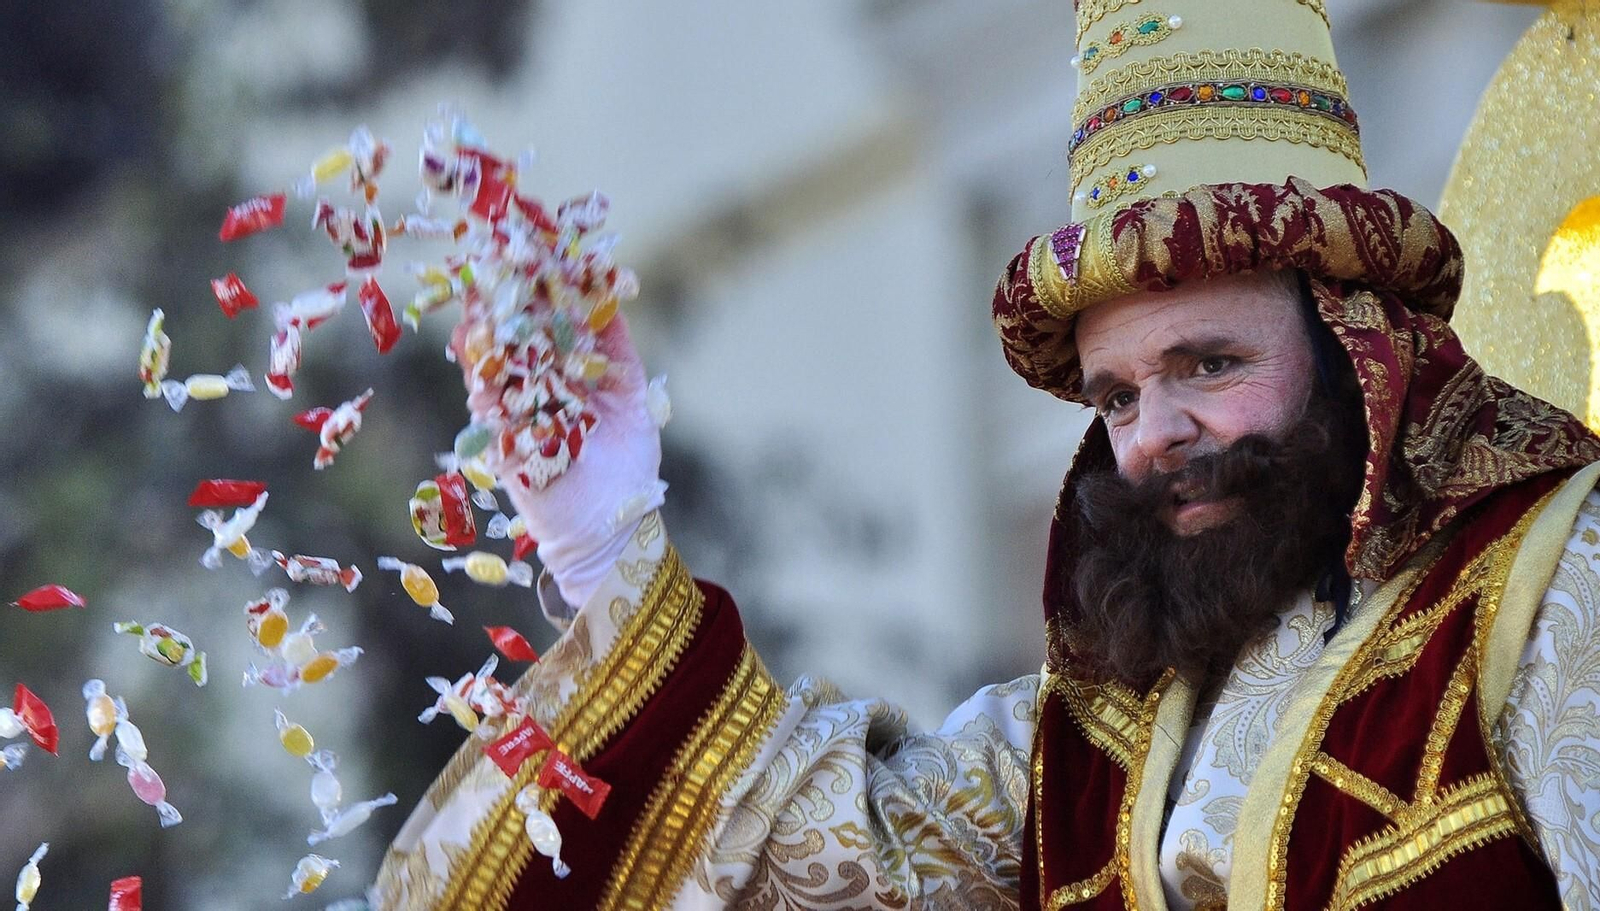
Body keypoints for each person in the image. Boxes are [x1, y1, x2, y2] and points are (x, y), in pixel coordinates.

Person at [372, 2, 1600, 909]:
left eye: (1209, 364)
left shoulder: (1551, 584)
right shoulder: (1084, 743)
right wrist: (603, 531)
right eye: (1115, 397)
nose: (1156, 432)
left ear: (1357, 347)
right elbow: (805, 862)